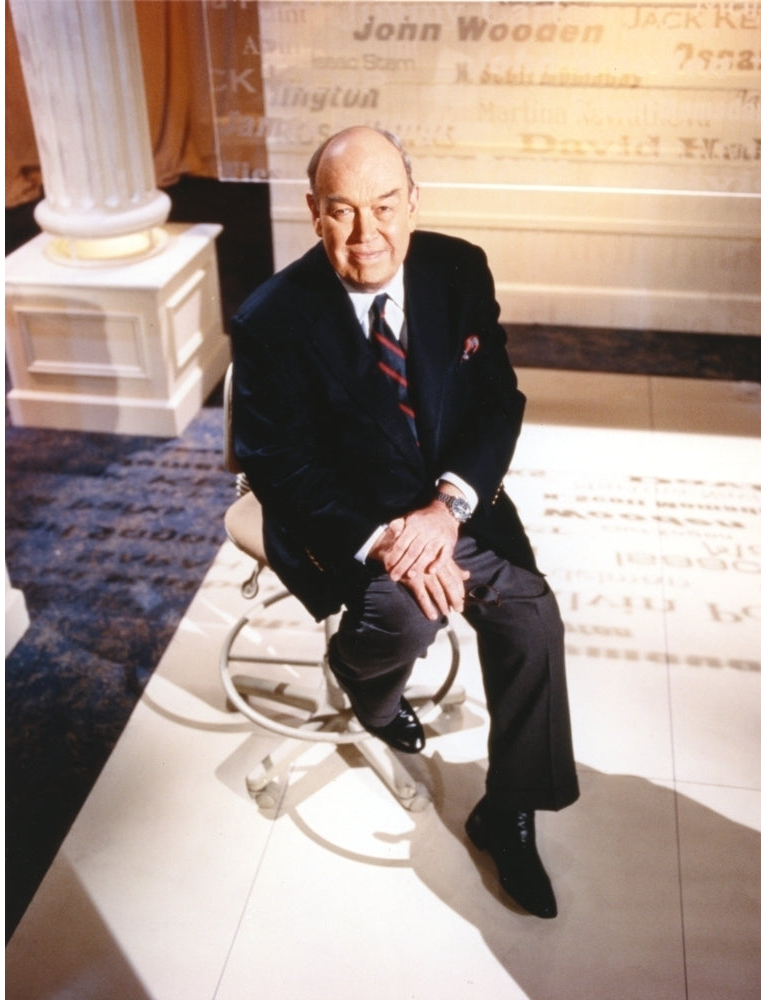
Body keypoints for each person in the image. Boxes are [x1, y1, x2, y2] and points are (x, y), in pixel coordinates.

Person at [231, 126, 580, 918]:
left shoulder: (458, 268)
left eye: (386, 206)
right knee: (403, 613)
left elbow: (496, 401)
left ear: (414, 202)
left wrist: (446, 509)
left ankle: (509, 810)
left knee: (532, 618)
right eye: (344, 211)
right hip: (343, 517)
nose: (368, 234)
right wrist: (390, 537)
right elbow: (278, 465)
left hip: (449, 505)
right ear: (314, 213)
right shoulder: (271, 318)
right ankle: (373, 698)